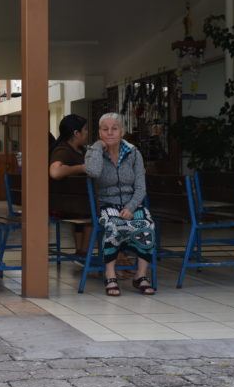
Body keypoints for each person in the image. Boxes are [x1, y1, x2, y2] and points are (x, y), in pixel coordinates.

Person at [85, 112, 156, 296]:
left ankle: (140, 275)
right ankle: (110, 275)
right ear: (99, 132)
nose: (110, 133)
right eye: (105, 129)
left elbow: (141, 187)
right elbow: (92, 172)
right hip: (107, 204)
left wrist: (131, 208)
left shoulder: (134, 154)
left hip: (132, 204)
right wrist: (98, 147)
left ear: (122, 131)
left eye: (114, 129)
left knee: (147, 226)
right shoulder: (94, 152)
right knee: (114, 226)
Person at [49, 114, 91, 258]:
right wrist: (81, 168)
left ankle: (81, 251)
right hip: (68, 206)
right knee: (101, 210)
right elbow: (55, 172)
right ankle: (84, 252)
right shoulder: (63, 150)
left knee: (87, 206)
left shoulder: (81, 150)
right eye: (85, 130)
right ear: (76, 133)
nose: (87, 133)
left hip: (74, 204)